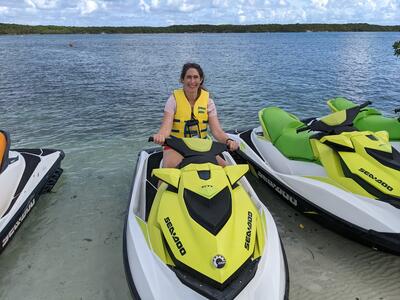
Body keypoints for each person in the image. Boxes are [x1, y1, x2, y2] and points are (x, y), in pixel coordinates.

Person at [153, 62, 239, 168]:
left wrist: (228, 140)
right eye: (189, 77)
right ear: (182, 79)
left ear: (201, 79)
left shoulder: (208, 102)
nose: (192, 81)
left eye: (195, 77)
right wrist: (160, 136)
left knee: (226, 169)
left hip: (201, 145)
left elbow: (217, 131)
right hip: (176, 145)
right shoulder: (173, 100)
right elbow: (165, 129)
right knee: (170, 173)